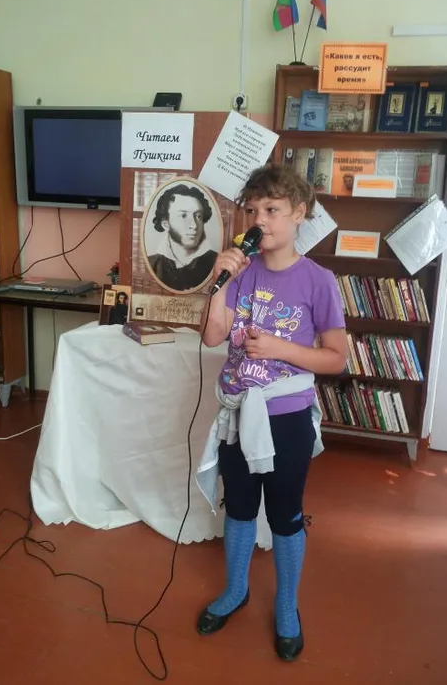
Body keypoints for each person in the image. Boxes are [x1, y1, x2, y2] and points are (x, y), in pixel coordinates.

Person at [195, 164, 348, 661]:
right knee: (239, 506)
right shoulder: (242, 272)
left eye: (272, 210)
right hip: (238, 414)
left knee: (284, 513)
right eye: (252, 210)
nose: (259, 220)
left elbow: (336, 358)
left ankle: (286, 606)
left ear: (299, 213)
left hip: (286, 419)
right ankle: (236, 590)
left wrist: (281, 348)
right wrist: (219, 281)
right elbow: (213, 336)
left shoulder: (318, 281)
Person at [147, 183, 218, 292]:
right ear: (166, 224)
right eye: (183, 216)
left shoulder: (216, 262)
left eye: (198, 216)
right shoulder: (152, 264)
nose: (194, 225)